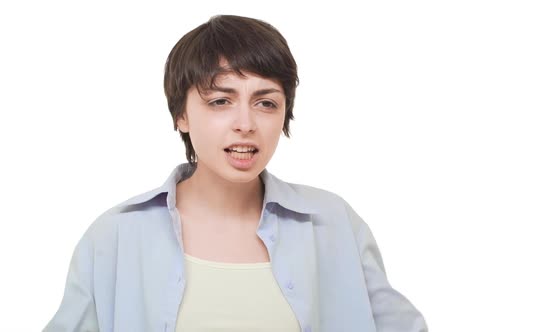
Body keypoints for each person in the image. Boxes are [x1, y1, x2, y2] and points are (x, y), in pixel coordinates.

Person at [43, 14, 428, 332]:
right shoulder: (114, 237)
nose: (245, 123)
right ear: (181, 115)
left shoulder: (333, 223)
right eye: (221, 100)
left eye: (265, 102)